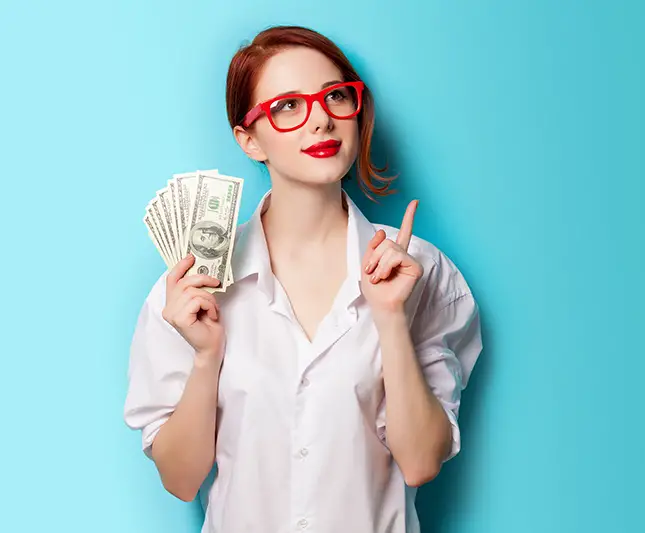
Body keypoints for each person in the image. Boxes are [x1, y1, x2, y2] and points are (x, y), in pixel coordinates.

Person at [123, 25, 483, 533]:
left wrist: (390, 319)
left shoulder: (421, 271)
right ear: (249, 140)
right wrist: (206, 358)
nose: (321, 120)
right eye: (288, 106)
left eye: (335, 96)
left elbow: (422, 462)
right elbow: (180, 480)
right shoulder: (191, 286)